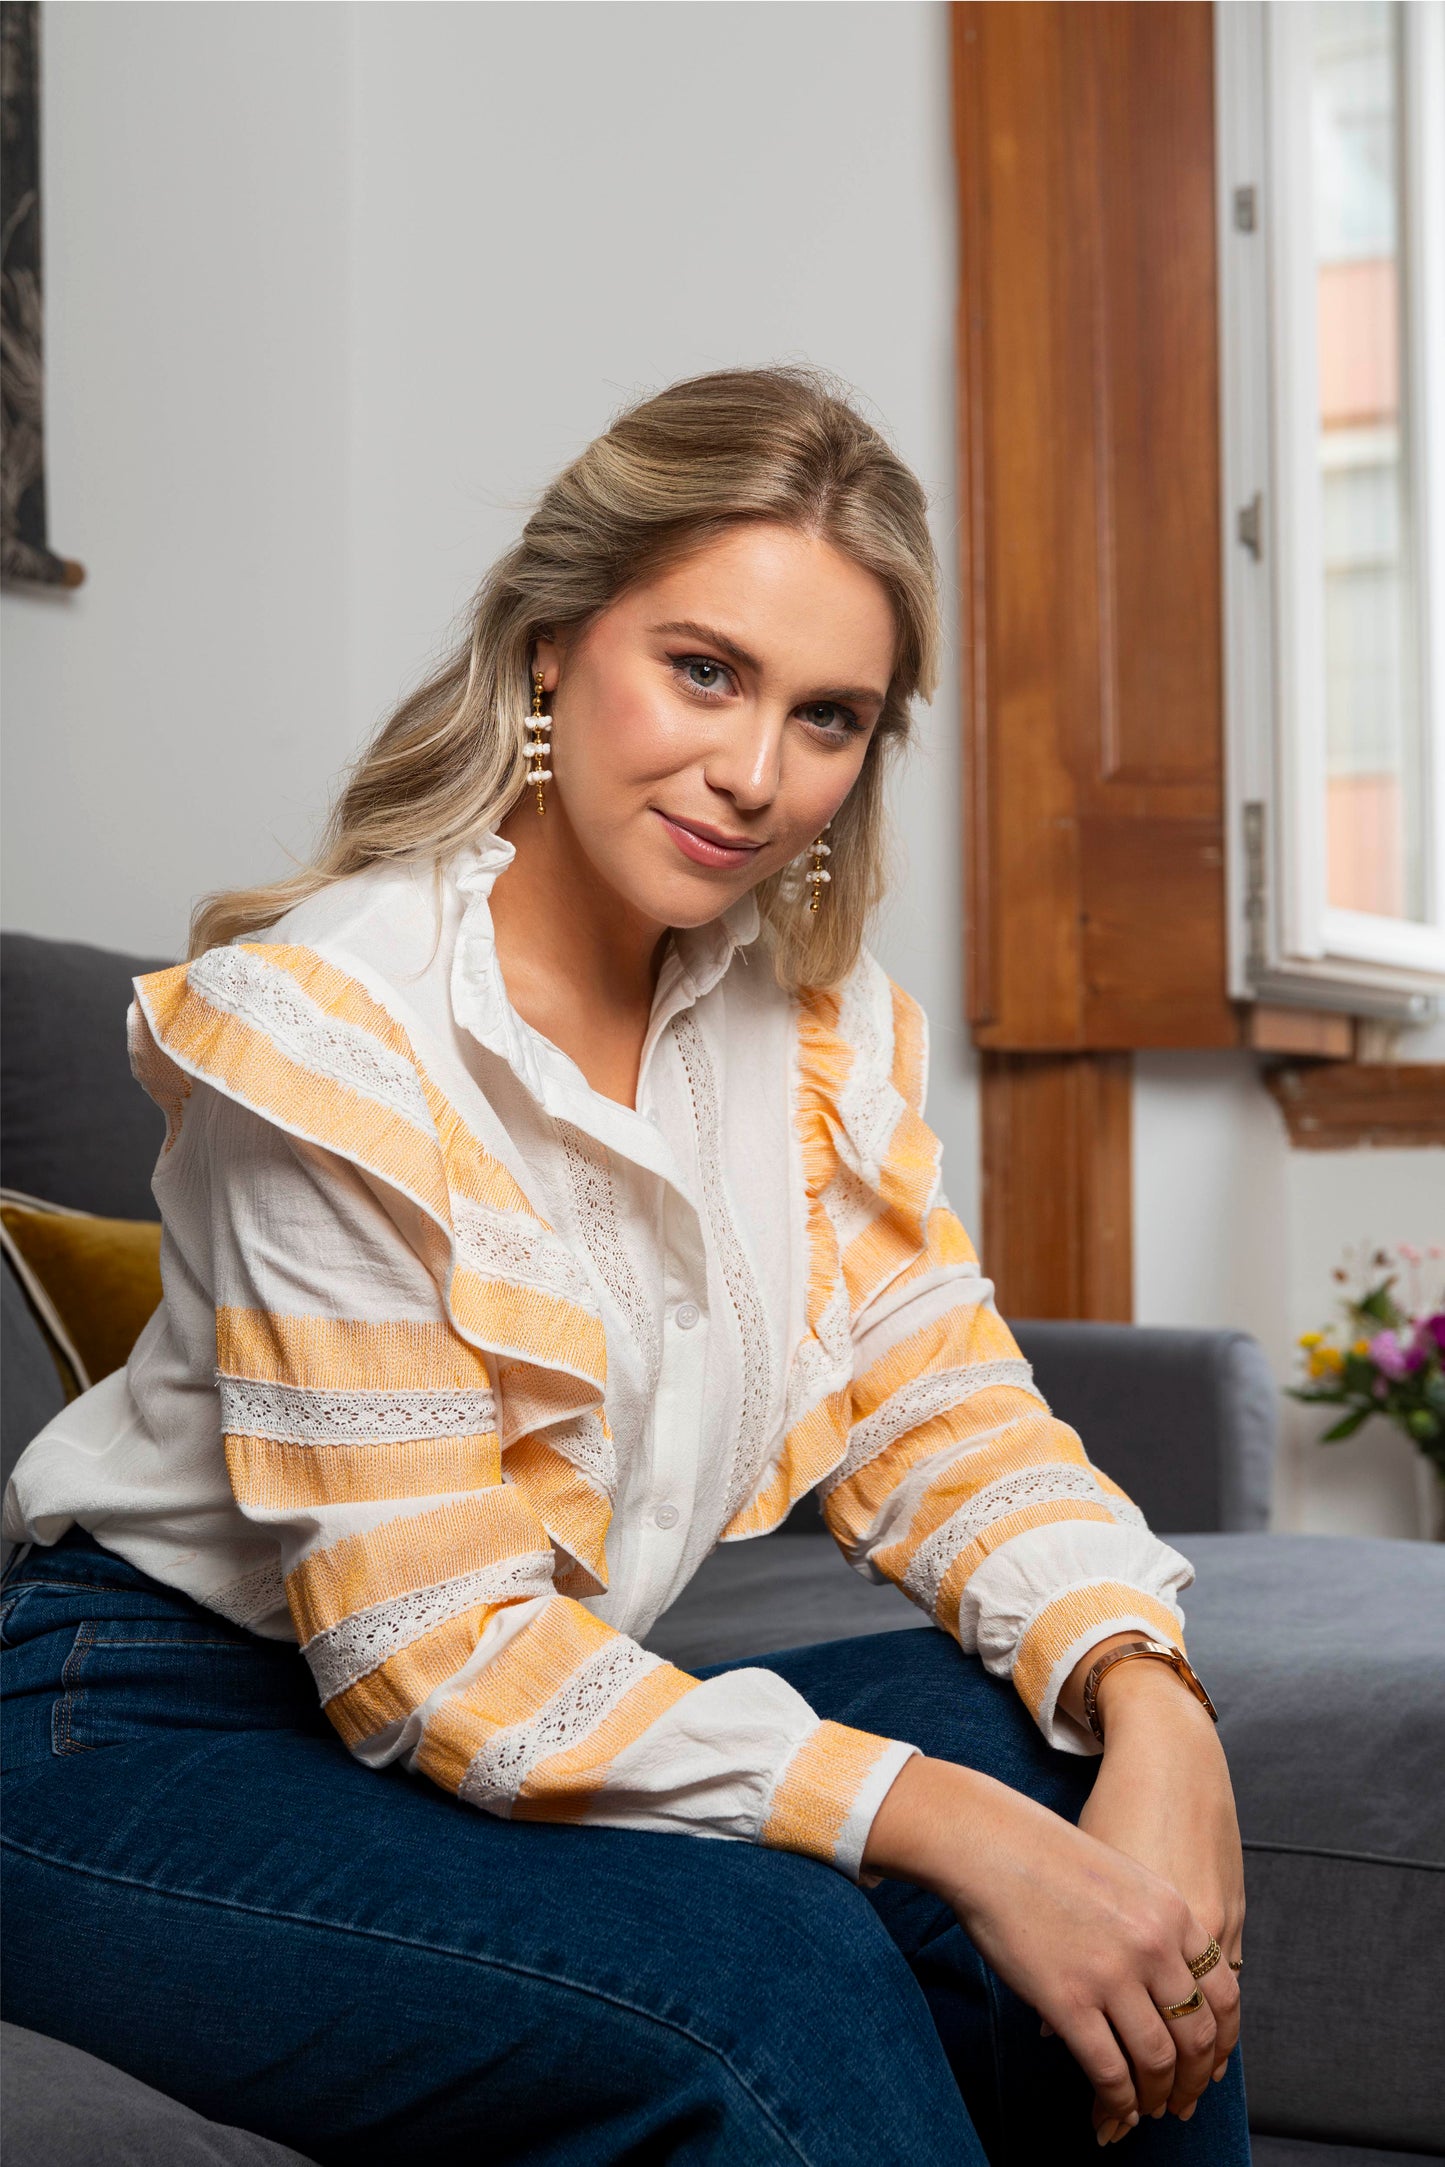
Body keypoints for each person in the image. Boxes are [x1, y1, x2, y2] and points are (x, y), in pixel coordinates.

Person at [1, 368, 1248, 2166]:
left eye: (828, 718)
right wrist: (949, 1831)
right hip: (134, 1737)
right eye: (704, 670)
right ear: (549, 646)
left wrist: (1156, 1700)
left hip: (494, 1700)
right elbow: (429, 1650)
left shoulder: (809, 1038)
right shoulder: (331, 1029)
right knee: (765, 1970)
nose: (754, 776)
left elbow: (951, 1420)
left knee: (1080, 1795)